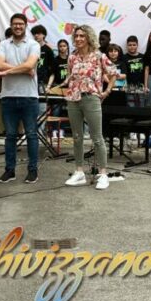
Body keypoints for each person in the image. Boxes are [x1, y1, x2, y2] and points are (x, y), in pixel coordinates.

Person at [63, 25, 117, 190]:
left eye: (82, 36)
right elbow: (70, 76)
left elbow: (113, 73)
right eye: (76, 36)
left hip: (91, 98)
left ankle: (103, 174)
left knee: (97, 137)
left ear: (89, 38)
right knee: (77, 136)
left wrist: (106, 91)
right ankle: (79, 172)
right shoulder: (72, 57)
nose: (78, 39)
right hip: (73, 98)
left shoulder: (99, 56)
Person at [0, 13, 41, 184]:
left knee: (31, 135)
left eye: (21, 24)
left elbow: (30, 65)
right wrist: (23, 69)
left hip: (29, 97)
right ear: (11, 25)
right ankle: (10, 170)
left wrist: (7, 71)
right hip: (8, 96)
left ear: (25, 25)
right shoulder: (3, 44)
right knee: (10, 136)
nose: (18, 26)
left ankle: (33, 171)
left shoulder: (33, 44)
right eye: (15, 24)